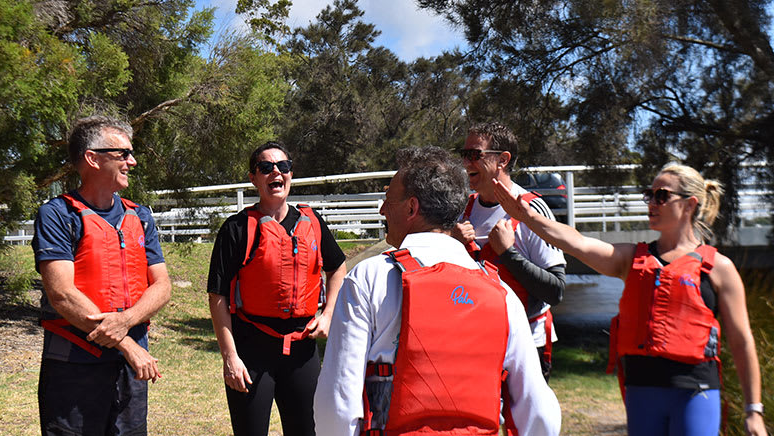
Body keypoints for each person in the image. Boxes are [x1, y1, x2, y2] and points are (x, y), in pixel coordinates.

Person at [492, 163, 768, 436]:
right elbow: (577, 242)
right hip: (641, 390)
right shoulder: (631, 259)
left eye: (662, 196)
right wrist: (528, 218)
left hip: (695, 392)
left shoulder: (719, 268)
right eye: (650, 195)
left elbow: (742, 341)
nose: (652, 202)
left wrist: (753, 410)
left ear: (689, 204)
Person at [314, 146, 561, 436]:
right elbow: (539, 412)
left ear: (411, 208)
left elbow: (338, 400)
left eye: (388, 201)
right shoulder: (502, 294)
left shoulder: (369, 278)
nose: (382, 210)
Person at [32, 115, 171, 436]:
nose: (132, 162)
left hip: (129, 369)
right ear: (92, 158)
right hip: (73, 368)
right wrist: (126, 343)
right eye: (122, 153)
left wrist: (127, 322)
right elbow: (62, 294)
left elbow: (162, 286)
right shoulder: (57, 215)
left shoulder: (140, 216)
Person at [207, 141, 347, 436]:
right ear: (253, 178)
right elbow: (217, 295)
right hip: (252, 350)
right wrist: (230, 357)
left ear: (291, 174)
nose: (276, 173)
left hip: (302, 351)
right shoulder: (237, 228)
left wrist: (328, 313)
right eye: (265, 167)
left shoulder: (313, 222)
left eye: (283, 166)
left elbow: (338, 268)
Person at [453, 122, 566, 381]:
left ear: (503, 160)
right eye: (463, 154)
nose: (466, 163)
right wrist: (453, 245)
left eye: (475, 155)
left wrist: (508, 253)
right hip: (476, 343)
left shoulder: (532, 211)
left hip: (525, 346)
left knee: (525, 423)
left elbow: (556, 290)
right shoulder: (462, 211)